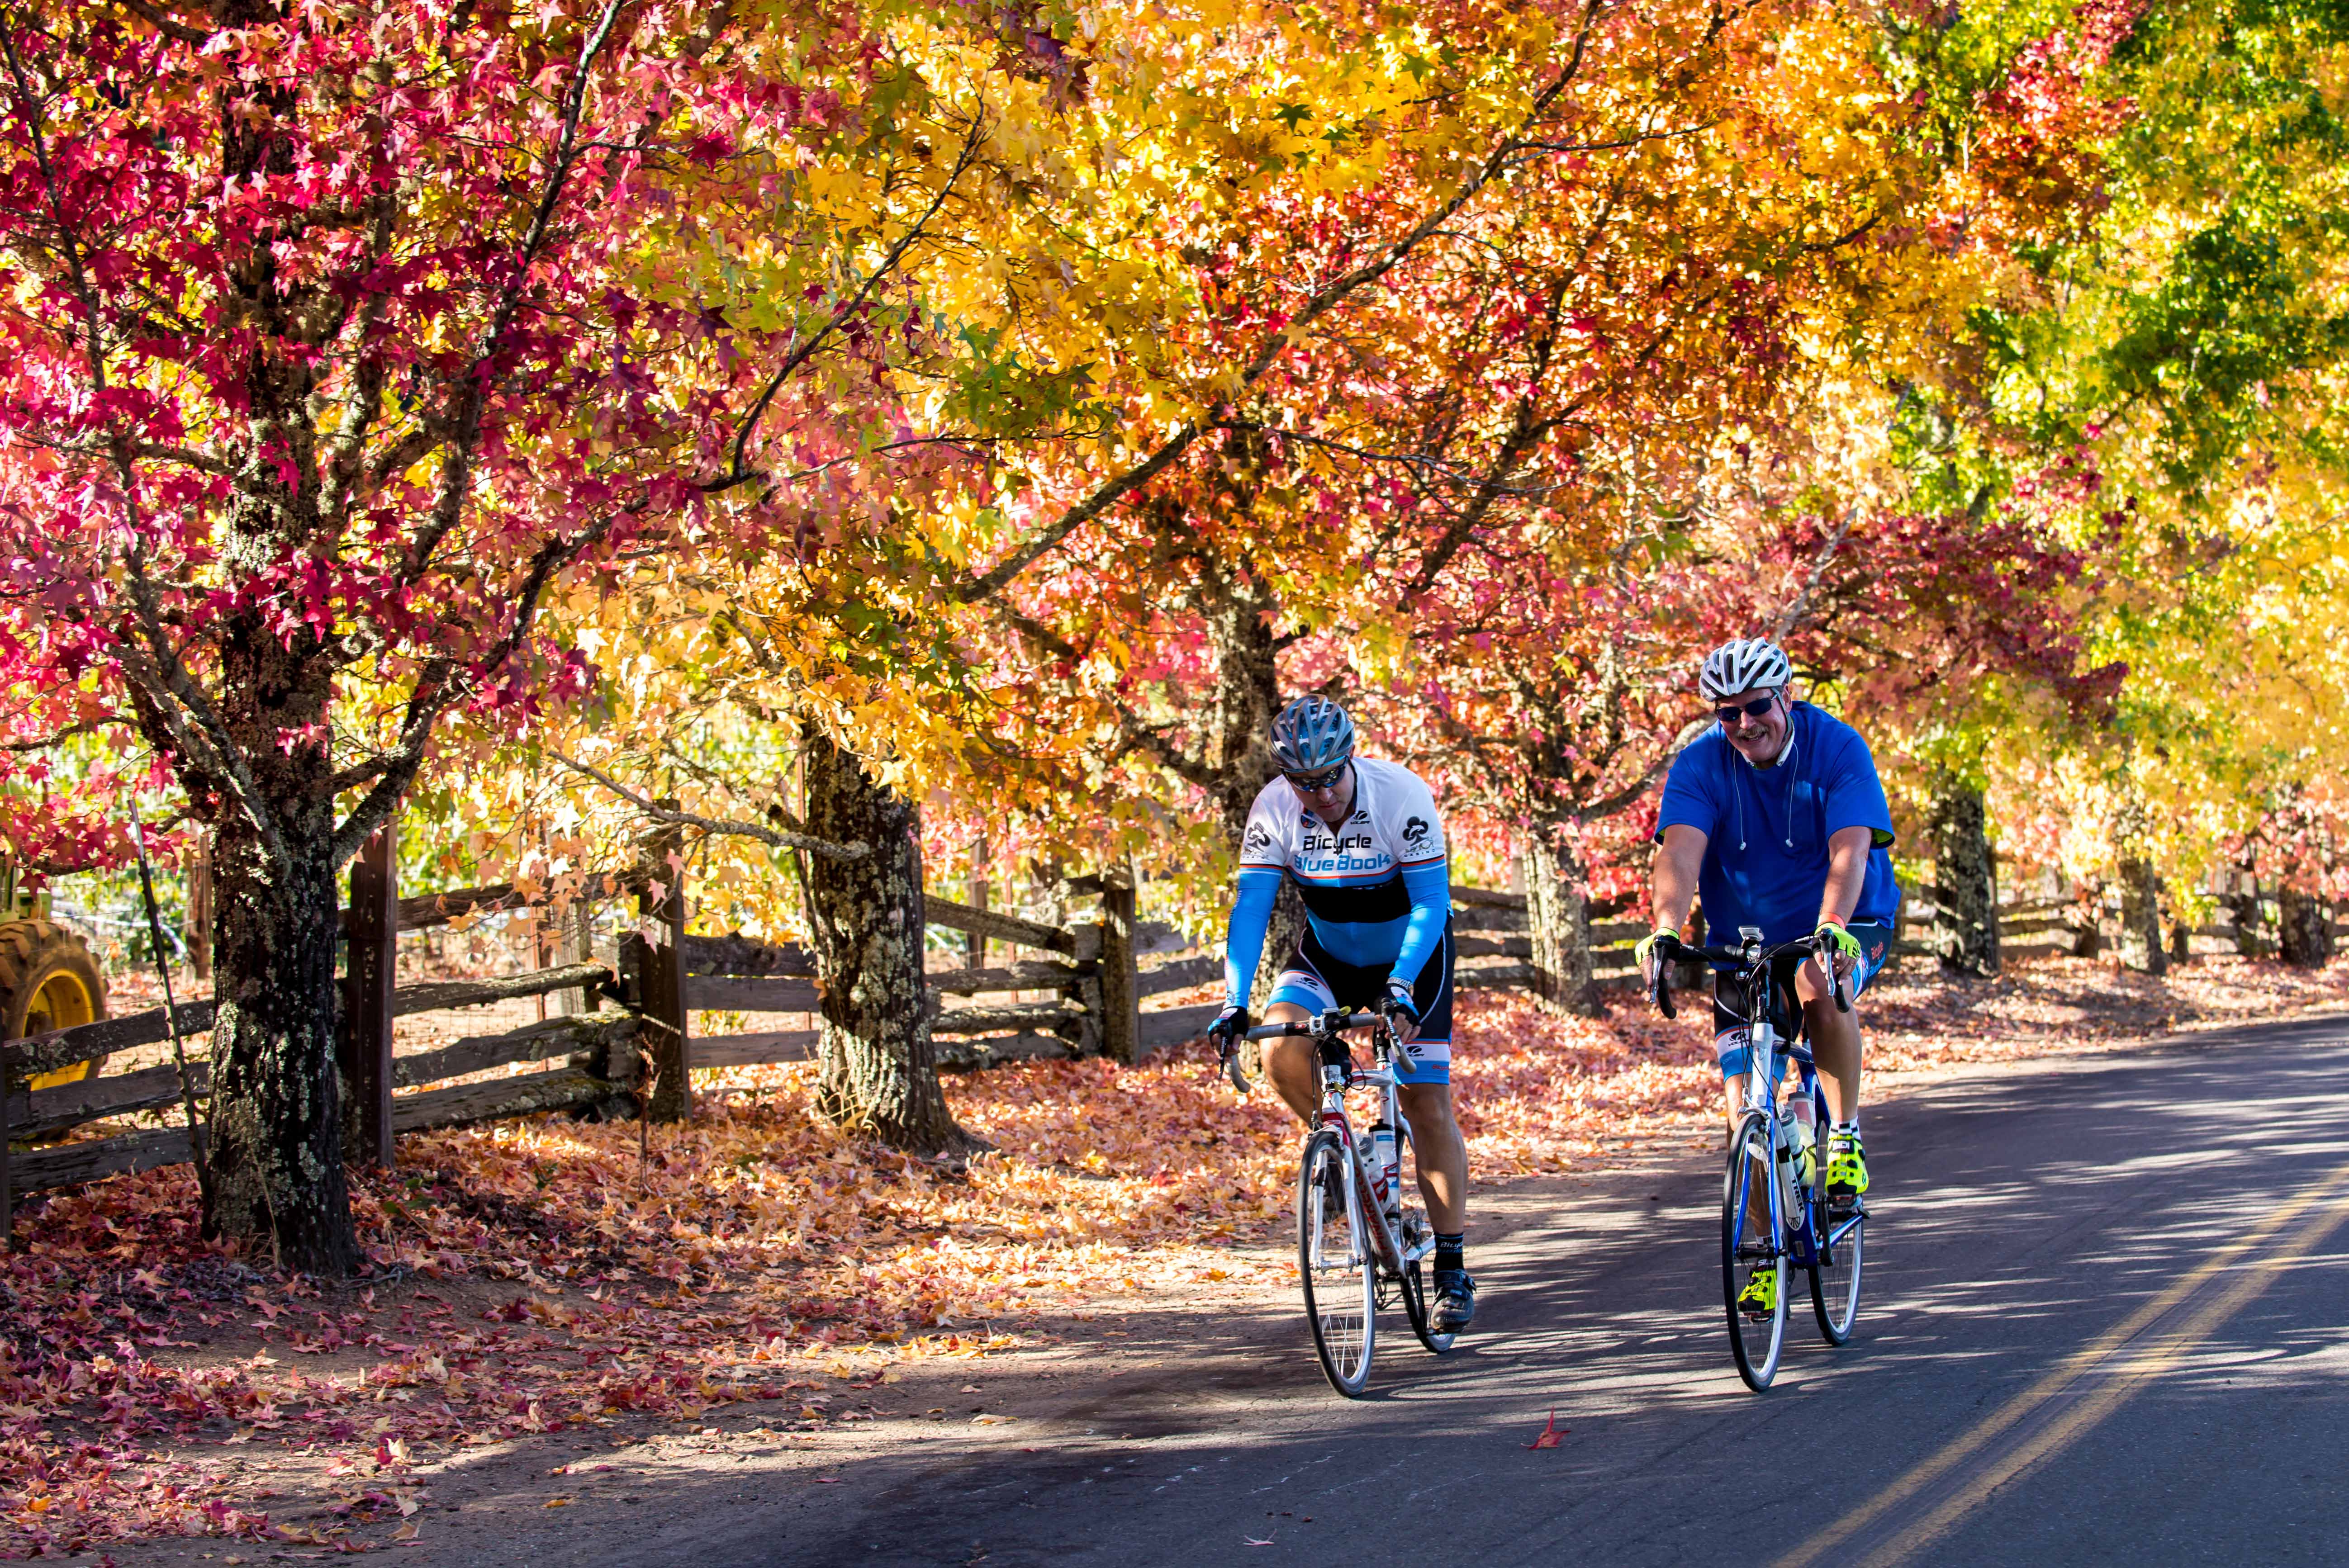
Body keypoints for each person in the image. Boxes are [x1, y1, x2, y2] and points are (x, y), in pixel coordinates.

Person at [1635, 638, 1899, 1318]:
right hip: (1744, 943)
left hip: (1842, 924)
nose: (1745, 724)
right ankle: (1763, 1248)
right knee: (1740, 1108)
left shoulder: (1836, 748)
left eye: (1757, 707)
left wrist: (1835, 919)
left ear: (1785, 697)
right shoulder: (1700, 766)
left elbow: (1851, 847)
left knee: (1816, 979)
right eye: (1728, 714)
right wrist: (1667, 929)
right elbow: (1679, 853)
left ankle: (1842, 1139)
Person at [1205, 695, 1476, 1332]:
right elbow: (1249, 910)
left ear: (1350, 759)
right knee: (1277, 1050)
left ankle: (1452, 1266)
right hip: (1327, 957)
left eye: (1330, 776)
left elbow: (1431, 904)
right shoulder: (1274, 808)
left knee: (1424, 1100)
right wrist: (1234, 1001)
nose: (1320, 793)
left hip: (1414, 957)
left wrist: (1403, 986)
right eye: (1304, 782)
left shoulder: (1399, 795)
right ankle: (1343, 1158)